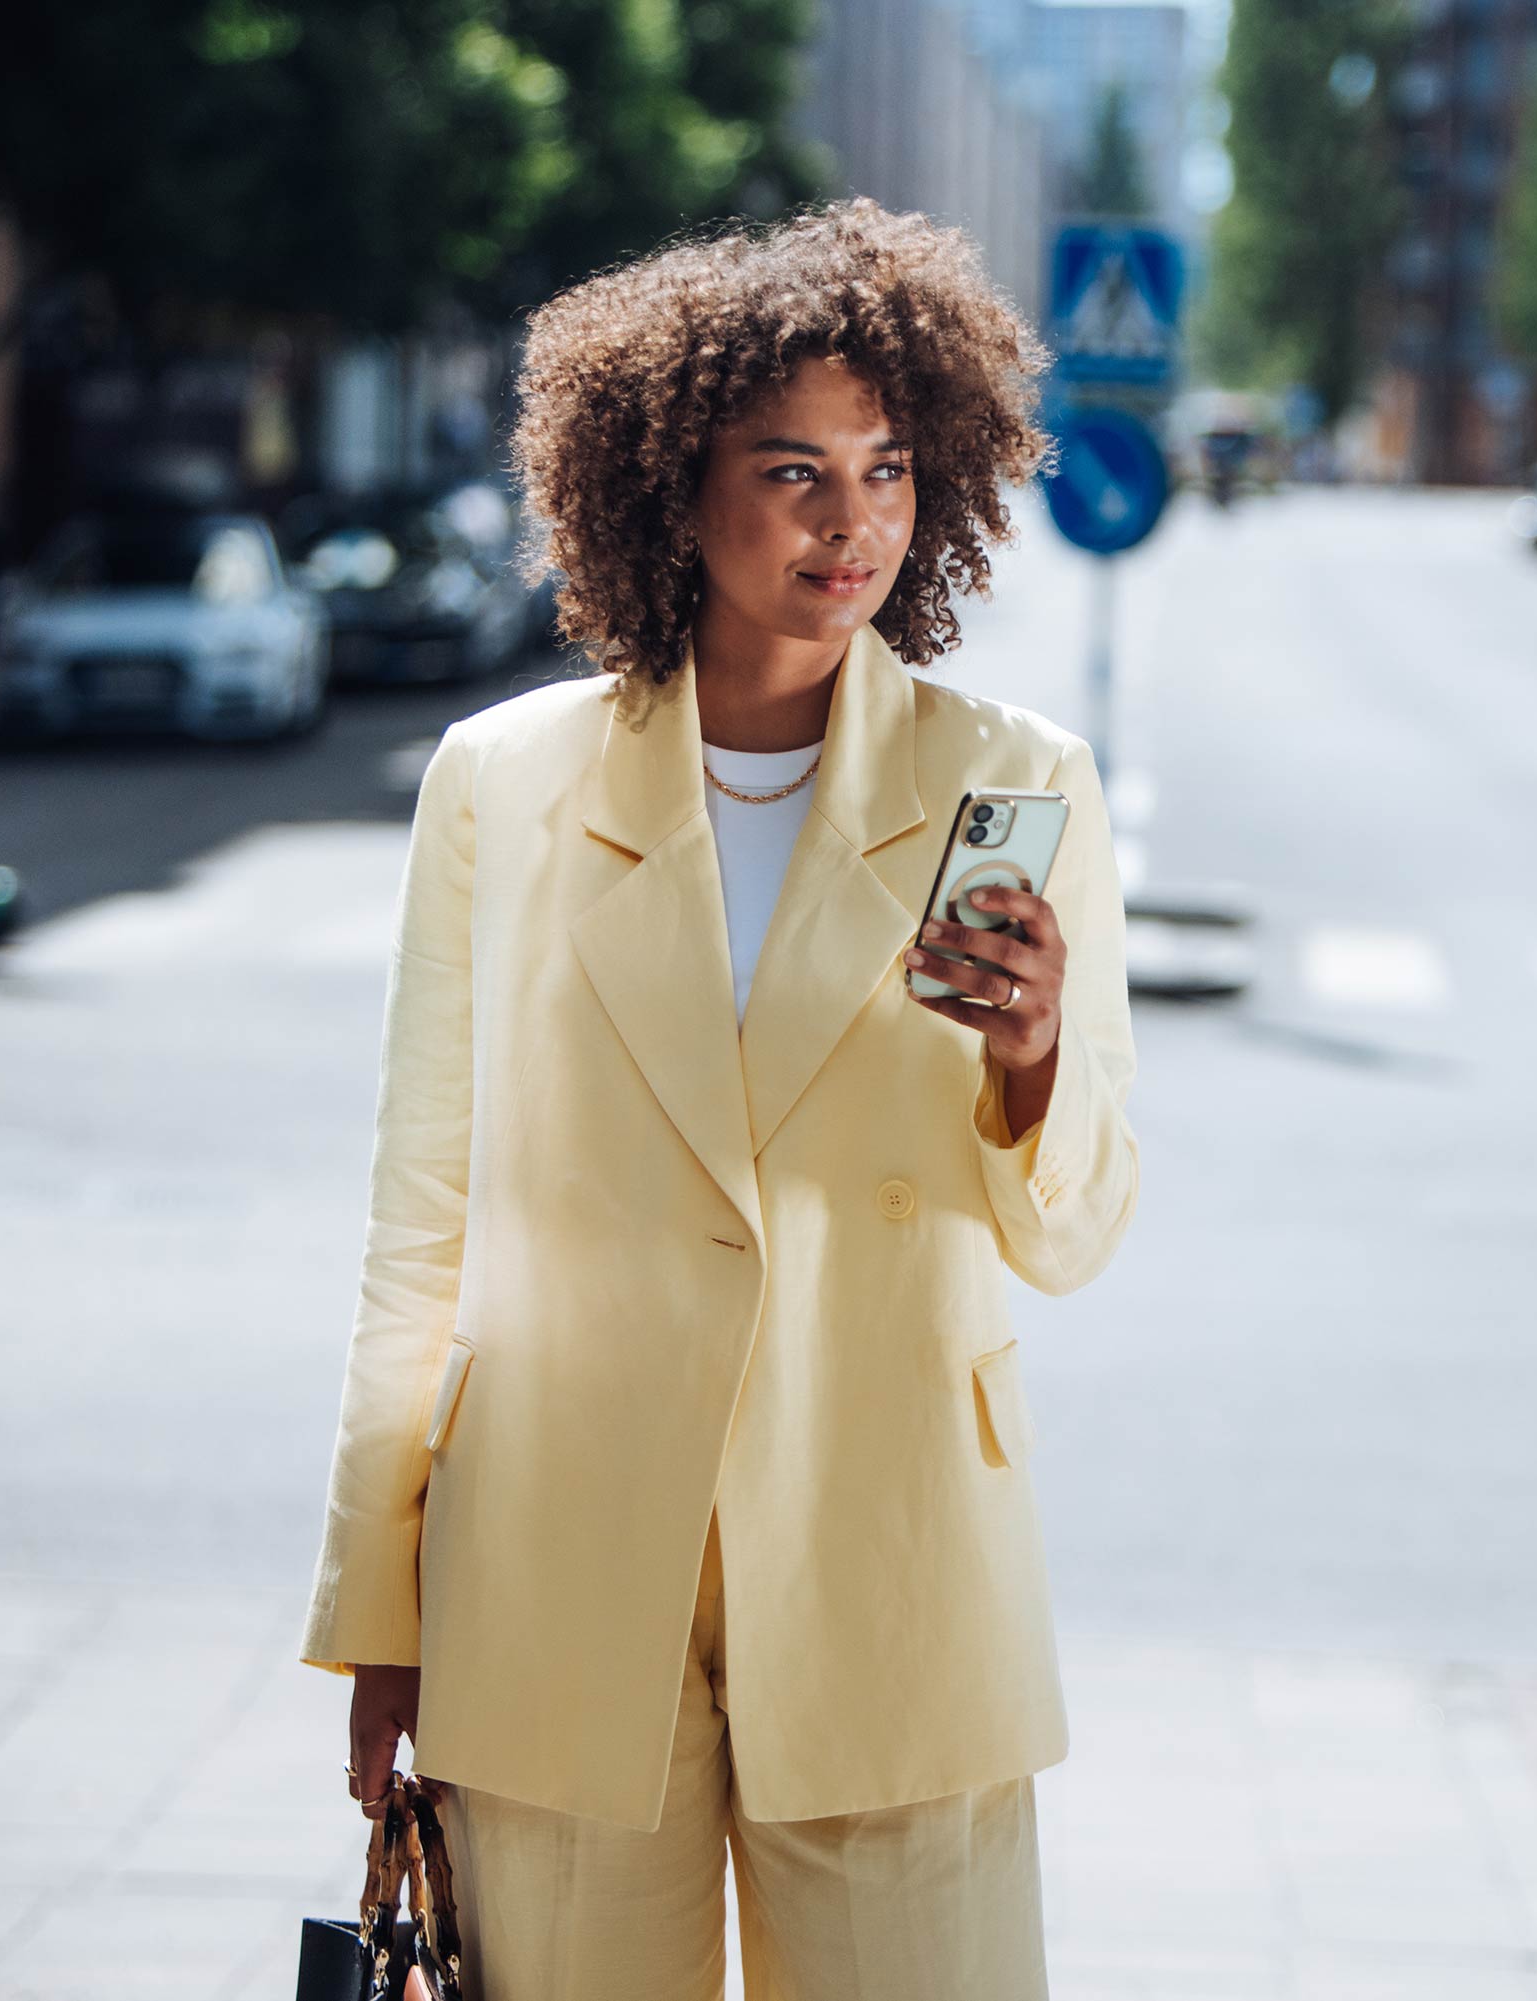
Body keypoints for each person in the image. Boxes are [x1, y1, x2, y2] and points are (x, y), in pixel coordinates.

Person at [301, 202, 1137, 2001]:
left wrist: (1032, 1056)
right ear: (673, 489)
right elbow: (421, 1220)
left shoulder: (1015, 778)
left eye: (889, 469)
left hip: (892, 1546)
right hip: (557, 1558)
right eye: (794, 473)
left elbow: (1077, 1225)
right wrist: (382, 1611)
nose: (856, 524)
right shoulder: (503, 784)